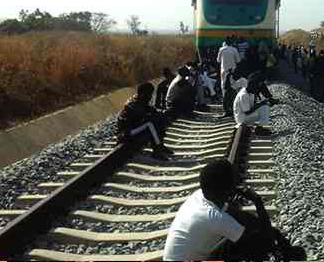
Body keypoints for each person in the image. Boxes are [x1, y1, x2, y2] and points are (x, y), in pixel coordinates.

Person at [162, 159, 304, 261]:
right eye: (234, 184)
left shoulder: (201, 196)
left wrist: (279, 238)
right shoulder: (214, 217)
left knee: (243, 240)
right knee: (255, 249)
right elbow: (263, 241)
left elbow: (247, 220)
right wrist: (258, 202)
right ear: (226, 191)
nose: (236, 187)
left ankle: (287, 251)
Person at [117, 83, 173, 161]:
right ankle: (157, 151)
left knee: (158, 118)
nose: (150, 97)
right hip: (126, 132)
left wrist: (159, 114)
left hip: (134, 127)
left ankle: (160, 145)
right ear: (143, 94)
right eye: (149, 94)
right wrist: (154, 114)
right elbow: (142, 114)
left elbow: (148, 110)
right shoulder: (133, 103)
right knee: (150, 123)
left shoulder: (140, 100)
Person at [217, 38, 241, 106]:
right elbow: (238, 60)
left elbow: (218, 60)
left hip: (224, 70)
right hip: (233, 71)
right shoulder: (234, 49)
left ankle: (225, 99)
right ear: (231, 43)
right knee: (233, 84)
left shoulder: (221, 49)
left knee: (223, 85)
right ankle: (233, 99)